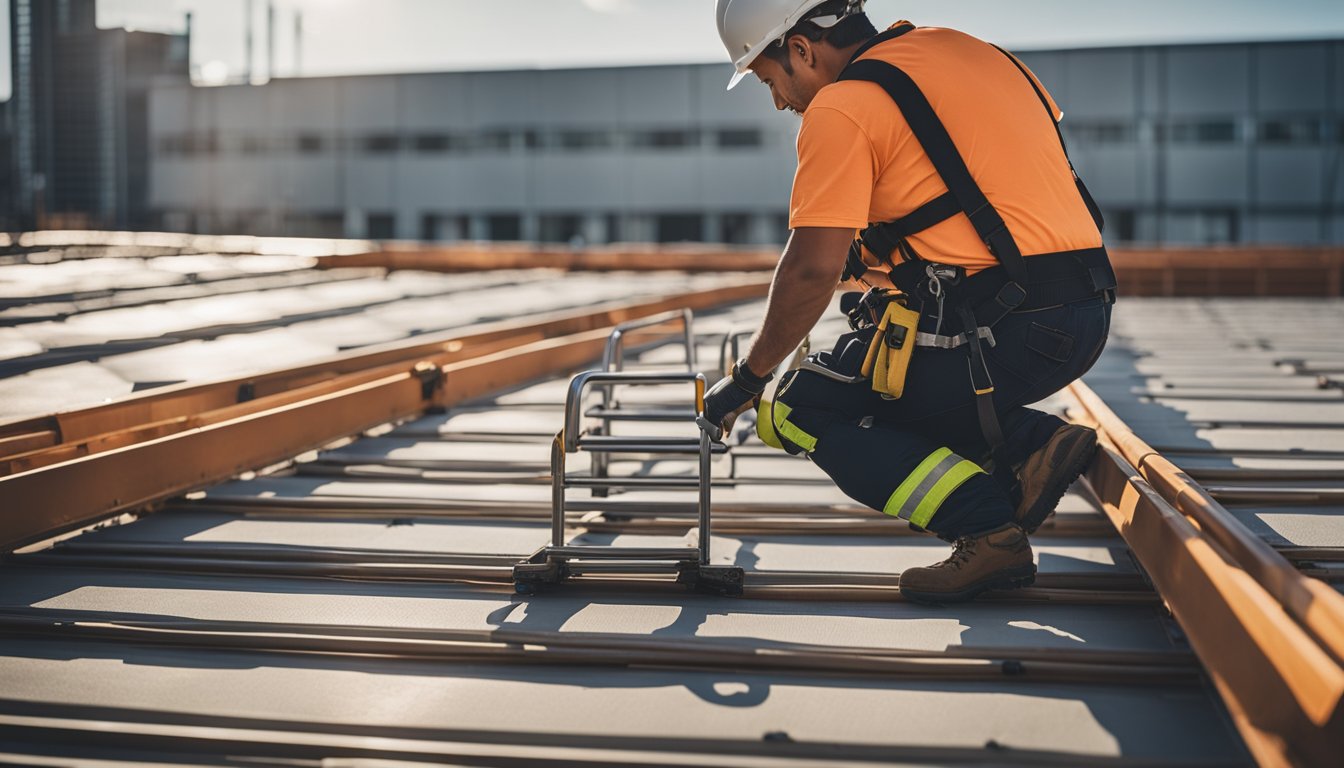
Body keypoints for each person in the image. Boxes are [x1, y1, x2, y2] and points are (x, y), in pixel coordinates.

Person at [704, 0, 1117, 604]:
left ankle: (986, 526)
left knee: (796, 406)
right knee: (870, 366)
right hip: (1083, 309)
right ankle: (1028, 444)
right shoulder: (973, 52)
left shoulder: (843, 106)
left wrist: (746, 379)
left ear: (800, 48)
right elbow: (982, 195)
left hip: (1007, 333)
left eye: (770, 80)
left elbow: (810, 271)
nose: (779, 102)